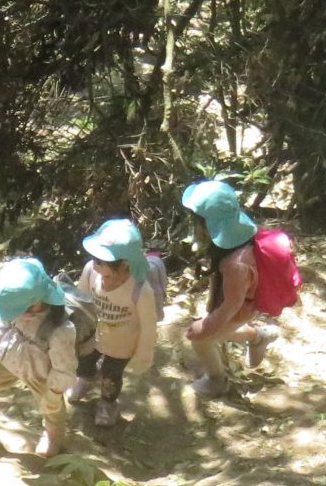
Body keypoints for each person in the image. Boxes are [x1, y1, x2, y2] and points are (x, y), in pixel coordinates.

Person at [0, 257, 80, 458]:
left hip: (42, 371)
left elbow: (64, 366)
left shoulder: (61, 329)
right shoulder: (13, 308)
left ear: (39, 300)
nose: (19, 315)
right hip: (10, 357)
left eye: (25, 310)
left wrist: (55, 391)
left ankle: (53, 435)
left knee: (52, 407)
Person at [65, 218, 163, 431]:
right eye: (94, 258)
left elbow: (148, 326)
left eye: (102, 261)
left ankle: (108, 404)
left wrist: (143, 354)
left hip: (123, 344)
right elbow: (80, 300)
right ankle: (85, 380)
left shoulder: (139, 290)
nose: (95, 263)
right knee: (83, 363)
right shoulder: (91, 272)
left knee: (111, 376)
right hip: (93, 335)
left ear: (124, 263)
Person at [181, 178, 277, 398]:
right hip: (243, 302)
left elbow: (231, 305)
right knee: (224, 330)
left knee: (202, 342)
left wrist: (206, 326)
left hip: (239, 307)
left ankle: (217, 381)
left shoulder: (235, 265)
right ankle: (259, 337)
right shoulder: (242, 239)